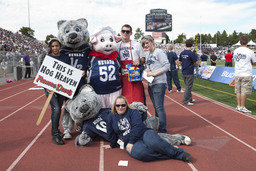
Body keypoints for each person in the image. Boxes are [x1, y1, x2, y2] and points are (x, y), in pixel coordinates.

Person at [107, 96, 191, 162]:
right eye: (118, 105)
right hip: (129, 141)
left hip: (143, 133)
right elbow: (110, 132)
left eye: (123, 105)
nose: (120, 107)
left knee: (155, 143)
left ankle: (179, 154)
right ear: (115, 106)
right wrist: (112, 144)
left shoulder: (133, 111)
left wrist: (131, 142)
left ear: (126, 105)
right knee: (142, 153)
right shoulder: (111, 117)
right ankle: (169, 153)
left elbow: (137, 126)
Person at [44, 38, 70, 145]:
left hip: (61, 88)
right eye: (53, 46)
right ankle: (55, 134)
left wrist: (79, 74)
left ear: (60, 47)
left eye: (57, 46)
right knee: (56, 109)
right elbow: (43, 74)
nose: (55, 48)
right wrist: (47, 87)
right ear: (50, 47)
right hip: (50, 88)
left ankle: (56, 130)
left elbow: (69, 72)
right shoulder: (48, 58)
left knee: (58, 109)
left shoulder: (65, 57)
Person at [141, 35, 170, 133]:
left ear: (152, 42)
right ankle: (159, 124)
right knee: (156, 106)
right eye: (144, 44)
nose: (145, 45)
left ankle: (162, 129)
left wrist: (154, 73)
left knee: (159, 107)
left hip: (159, 83)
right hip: (151, 83)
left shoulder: (159, 52)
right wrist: (147, 70)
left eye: (147, 42)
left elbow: (167, 66)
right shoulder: (148, 54)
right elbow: (149, 66)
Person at [118, 24, 146, 104]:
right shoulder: (117, 45)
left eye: (127, 31)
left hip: (134, 76)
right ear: (121, 32)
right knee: (124, 101)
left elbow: (143, 59)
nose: (125, 33)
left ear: (131, 33)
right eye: (123, 31)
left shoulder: (136, 44)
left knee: (137, 99)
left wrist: (139, 61)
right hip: (122, 77)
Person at [233, 35, 256, 113]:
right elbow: (254, 62)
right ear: (247, 42)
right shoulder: (250, 51)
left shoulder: (235, 51)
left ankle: (239, 106)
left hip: (237, 73)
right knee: (244, 91)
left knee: (238, 90)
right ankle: (243, 107)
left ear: (240, 42)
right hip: (246, 73)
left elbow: (235, 60)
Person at [178, 39, 199, 106]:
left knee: (187, 86)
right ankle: (185, 101)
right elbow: (196, 62)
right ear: (192, 45)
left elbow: (180, 62)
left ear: (185, 44)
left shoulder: (182, 53)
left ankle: (189, 99)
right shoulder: (191, 53)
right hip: (189, 71)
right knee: (188, 87)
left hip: (184, 71)